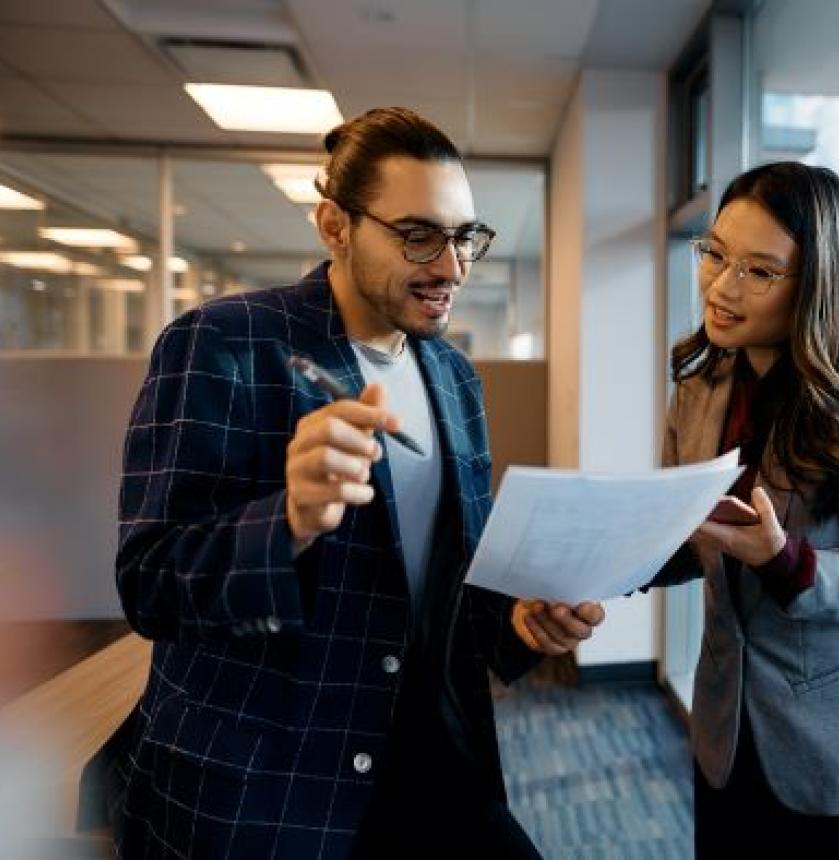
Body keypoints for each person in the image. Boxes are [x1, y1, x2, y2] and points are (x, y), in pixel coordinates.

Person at [94, 107, 604, 858]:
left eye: (465, 237)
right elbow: (152, 585)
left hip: (427, 749)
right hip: (275, 778)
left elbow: (444, 583)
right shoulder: (225, 344)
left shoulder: (454, 376)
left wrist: (520, 621)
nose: (453, 267)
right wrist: (290, 519)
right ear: (335, 225)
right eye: (419, 235)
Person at [649, 162, 839, 857]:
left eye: (759, 270)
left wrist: (789, 563)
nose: (721, 286)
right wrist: (603, 558)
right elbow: (691, 540)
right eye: (715, 253)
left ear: (815, 283)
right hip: (724, 738)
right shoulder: (699, 388)